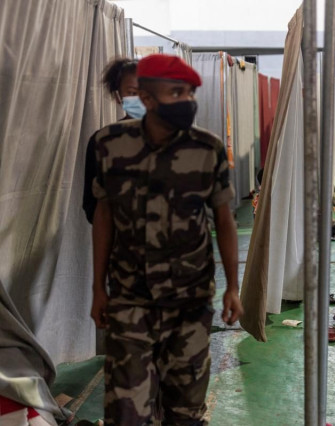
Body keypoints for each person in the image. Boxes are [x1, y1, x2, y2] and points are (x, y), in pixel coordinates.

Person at [90, 54, 243, 425]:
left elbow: (224, 220)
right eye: (175, 92)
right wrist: (98, 288)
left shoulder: (206, 149)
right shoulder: (110, 145)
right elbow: (103, 216)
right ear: (145, 97)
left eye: (189, 93)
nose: (186, 101)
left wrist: (233, 287)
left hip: (190, 300)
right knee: (126, 412)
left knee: (185, 411)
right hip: (130, 297)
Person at [82, 58, 143, 224]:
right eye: (133, 93)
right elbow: (91, 205)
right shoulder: (102, 141)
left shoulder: (178, 138)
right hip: (121, 236)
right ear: (118, 96)